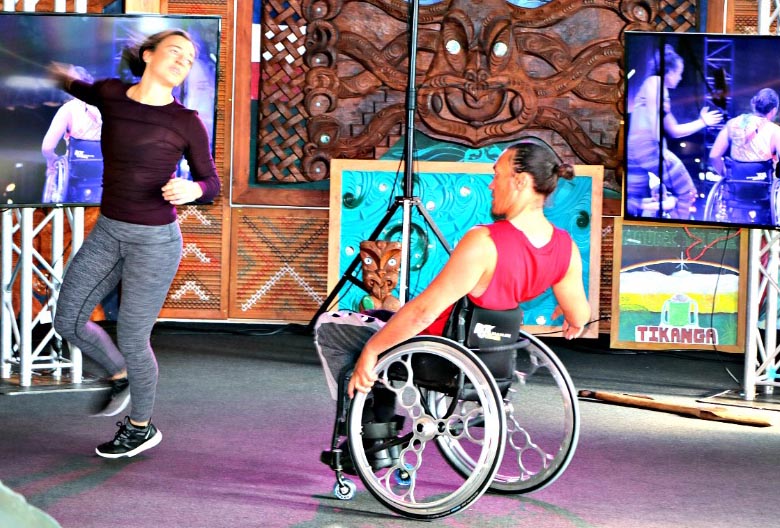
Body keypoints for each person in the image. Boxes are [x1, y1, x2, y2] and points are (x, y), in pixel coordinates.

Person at [314, 141, 592, 431]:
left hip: (436, 352)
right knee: (386, 313)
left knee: (331, 326)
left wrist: (372, 351)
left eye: (497, 175)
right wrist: (567, 309)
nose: (491, 185)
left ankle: (372, 432)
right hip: (491, 357)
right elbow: (579, 318)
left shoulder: (485, 242)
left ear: (520, 181)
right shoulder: (565, 249)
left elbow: (423, 313)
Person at [50, 29, 220, 459]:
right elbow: (79, 87)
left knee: (132, 334)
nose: (183, 61)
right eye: (174, 51)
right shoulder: (111, 94)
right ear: (147, 55)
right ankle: (119, 375)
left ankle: (141, 426)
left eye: (190, 57)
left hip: (155, 241)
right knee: (67, 321)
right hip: (108, 231)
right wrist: (59, 75)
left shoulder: (186, 122)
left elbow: (212, 182)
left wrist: (193, 190)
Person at [626, 44, 723, 219]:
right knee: (688, 192)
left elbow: (675, 130)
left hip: (637, 151)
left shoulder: (654, 88)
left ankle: (653, 215)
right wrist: (659, 150)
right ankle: (679, 231)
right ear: (669, 71)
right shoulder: (655, 83)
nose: (680, 78)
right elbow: (652, 117)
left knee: (633, 202)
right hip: (650, 150)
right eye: (679, 72)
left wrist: (702, 122)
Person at [41, 65, 103, 203]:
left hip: (78, 169)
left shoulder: (68, 109)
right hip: (109, 169)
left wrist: (51, 162)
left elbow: (47, 148)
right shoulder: (109, 104)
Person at [708, 87, 780, 178]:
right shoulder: (774, 130)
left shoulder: (732, 124)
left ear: (753, 104)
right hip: (762, 181)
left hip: (735, 181)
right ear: (774, 110)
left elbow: (714, 156)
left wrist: (725, 175)